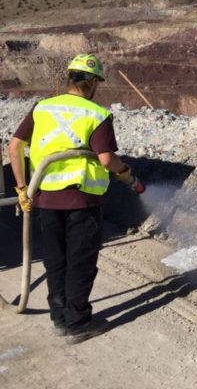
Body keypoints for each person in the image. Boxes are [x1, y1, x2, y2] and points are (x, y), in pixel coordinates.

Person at [8, 53, 144, 344]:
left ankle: (59, 319)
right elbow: (107, 159)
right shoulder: (97, 114)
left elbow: (14, 147)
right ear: (93, 82)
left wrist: (22, 188)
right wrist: (126, 174)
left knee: (55, 261)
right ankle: (78, 324)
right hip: (82, 202)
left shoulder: (42, 108)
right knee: (80, 263)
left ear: (69, 77)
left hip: (44, 200)